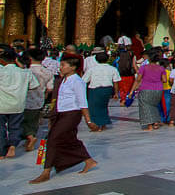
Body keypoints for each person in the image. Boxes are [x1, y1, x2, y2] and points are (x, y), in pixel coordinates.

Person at [28, 54, 99, 184]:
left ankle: (46, 171)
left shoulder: (77, 81)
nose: (60, 67)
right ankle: (89, 161)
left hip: (71, 114)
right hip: (60, 114)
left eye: (63, 65)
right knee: (69, 139)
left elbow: (82, 102)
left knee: (53, 139)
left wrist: (88, 120)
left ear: (72, 67)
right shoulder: (63, 80)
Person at [0, 46, 33, 159]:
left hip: (2, 105)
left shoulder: (1, 71)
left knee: (1, 128)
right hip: (18, 105)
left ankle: (1, 152)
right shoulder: (25, 72)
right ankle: (13, 146)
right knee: (15, 127)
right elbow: (34, 85)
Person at [22, 49, 52, 152]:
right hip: (39, 99)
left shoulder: (26, 71)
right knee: (34, 121)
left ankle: (30, 137)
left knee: (24, 121)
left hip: (25, 99)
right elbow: (49, 88)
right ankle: (30, 138)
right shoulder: (47, 72)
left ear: (29, 58)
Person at [82, 49, 120, 130]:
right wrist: (116, 93)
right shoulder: (113, 69)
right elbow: (116, 82)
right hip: (107, 89)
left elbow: (84, 81)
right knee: (103, 106)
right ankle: (103, 124)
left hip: (95, 90)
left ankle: (97, 124)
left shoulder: (92, 69)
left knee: (93, 107)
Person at [133, 51, 167, 130]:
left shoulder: (144, 67)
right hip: (158, 89)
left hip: (146, 89)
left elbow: (138, 79)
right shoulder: (161, 68)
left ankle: (149, 126)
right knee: (154, 106)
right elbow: (164, 80)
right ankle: (155, 122)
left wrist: (133, 90)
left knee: (146, 106)